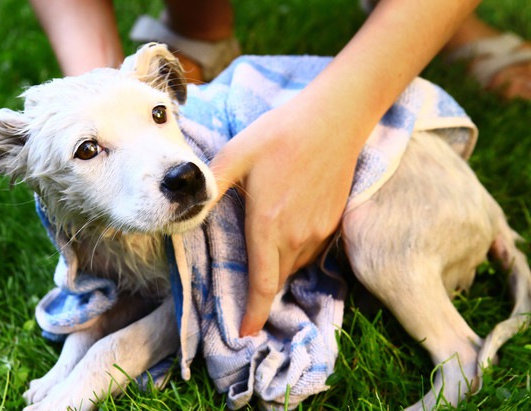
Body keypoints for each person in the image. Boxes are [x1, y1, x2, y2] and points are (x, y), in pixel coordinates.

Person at [29, 0, 531, 336]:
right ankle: (196, 24)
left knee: (374, 240)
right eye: (88, 151)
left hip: (419, 181)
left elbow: (187, 308)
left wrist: (338, 121)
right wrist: (95, 97)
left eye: (159, 112)